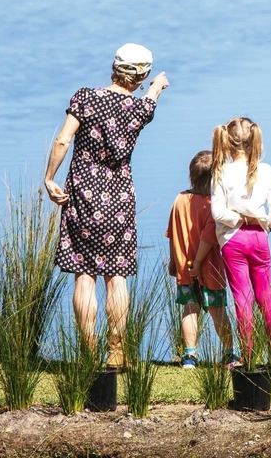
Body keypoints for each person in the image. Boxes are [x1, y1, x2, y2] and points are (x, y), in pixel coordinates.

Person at [44, 43, 169, 366]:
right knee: (117, 277)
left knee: (84, 275)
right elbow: (149, 101)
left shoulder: (85, 97)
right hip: (119, 198)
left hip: (82, 194)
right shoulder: (140, 109)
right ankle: (116, 352)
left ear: (114, 68)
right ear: (141, 76)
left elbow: (63, 139)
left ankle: (88, 353)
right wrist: (155, 88)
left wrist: (49, 177)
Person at [193, 117, 271, 360]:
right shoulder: (265, 170)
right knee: (266, 296)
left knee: (242, 297)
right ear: (255, 139)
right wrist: (265, 224)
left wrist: (239, 219)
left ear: (228, 142)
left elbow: (218, 213)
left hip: (233, 241)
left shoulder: (221, 172)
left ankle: (248, 354)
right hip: (259, 239)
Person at [166, 151, 237, 368]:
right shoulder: (211, 205)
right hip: (209, 267)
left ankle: (189, 355)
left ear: (191, 176)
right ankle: (229, 353)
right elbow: (208, 238)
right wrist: (198, 263)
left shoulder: (179, 200)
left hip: (184, 266)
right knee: (218, 310)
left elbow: (172, 232)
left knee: (189, 308)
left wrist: (173, 260)